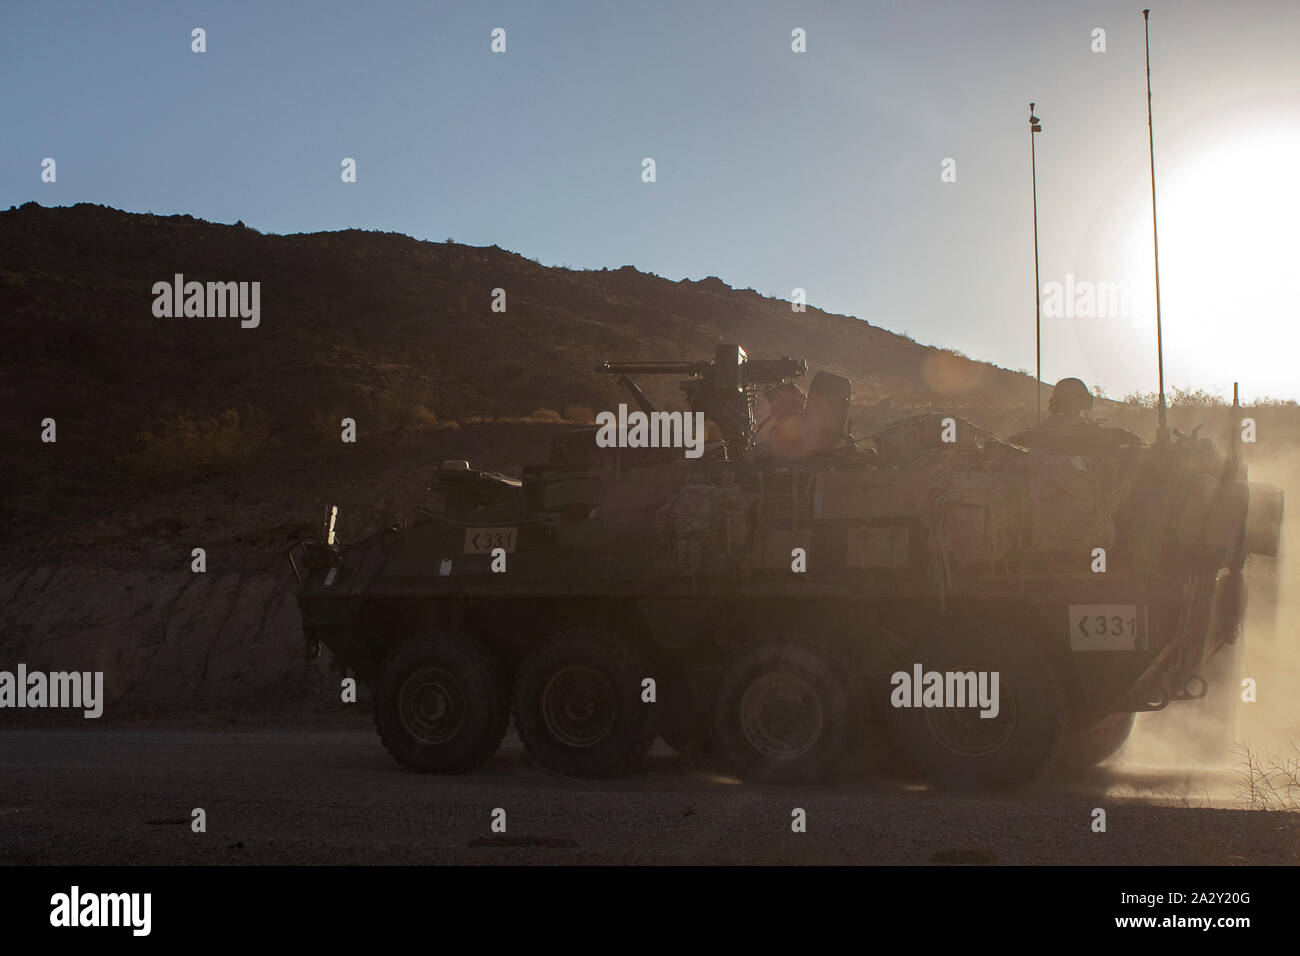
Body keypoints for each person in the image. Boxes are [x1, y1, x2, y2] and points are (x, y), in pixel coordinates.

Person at [1010, 378, 1143, 455]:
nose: (1070, 403)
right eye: (1066, 399)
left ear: (1083, 402)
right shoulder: (1037, 436)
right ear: (1058, 402)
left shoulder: (1097, 434)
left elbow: (1135, 443)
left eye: (1075, 398)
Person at [756, 382, 808, 460]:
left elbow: (779, 453)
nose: (771, 408)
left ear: (785, 402)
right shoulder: (797, 419)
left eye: (774, 400)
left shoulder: (794, 423)